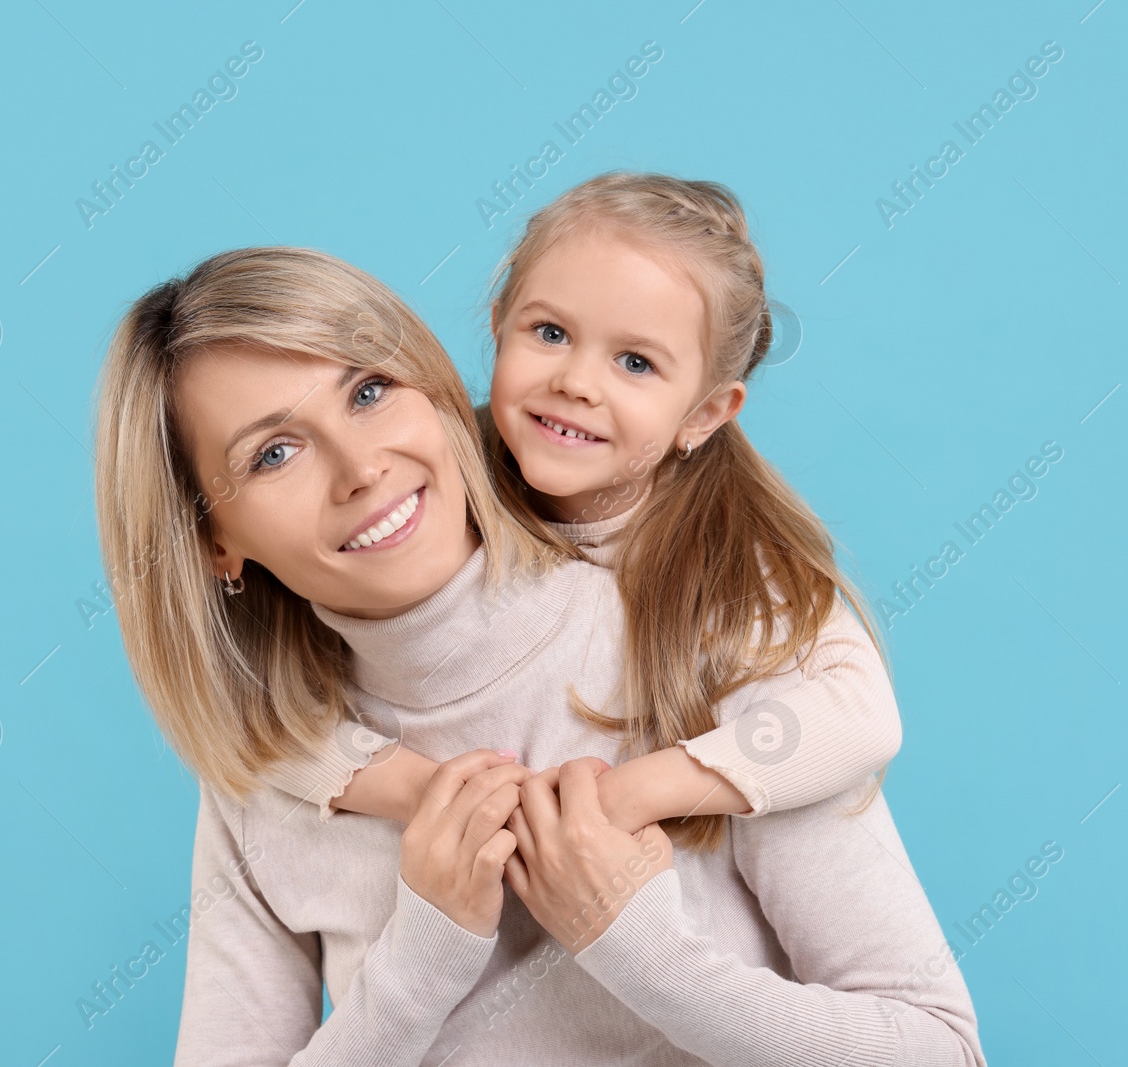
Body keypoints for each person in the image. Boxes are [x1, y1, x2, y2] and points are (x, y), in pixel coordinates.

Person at [93, 245, 984, 1065]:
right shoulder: (269, 771)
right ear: (212, 542)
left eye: (368, 391)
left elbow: (940, 1050)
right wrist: (420, 960)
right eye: (275, 452)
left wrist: (639, 946)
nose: (361, 466)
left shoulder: (700, 643)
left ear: (434, 389)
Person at [274, 174, 903, 861]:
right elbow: (260, 730)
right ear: (497, 327)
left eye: (635, 362)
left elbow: (864, 715)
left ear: (704, 414)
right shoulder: (429, 499)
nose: (576, 381)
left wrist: (638, 791)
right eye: (550, 332)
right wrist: (429, 791)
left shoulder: (725, 559)